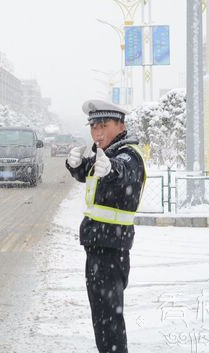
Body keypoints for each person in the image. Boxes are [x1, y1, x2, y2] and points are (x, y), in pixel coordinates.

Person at [65, 99, 146, 353]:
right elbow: (90, 173)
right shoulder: (107, 154)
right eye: (93, 126)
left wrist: (112, 170)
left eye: (103, 125)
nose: (97, 133)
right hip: (101, 244)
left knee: (108, 321)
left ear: (121, 125)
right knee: (103, 318)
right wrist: (75, 166)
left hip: (110, 248)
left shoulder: (127, 155)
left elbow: (122, 172)